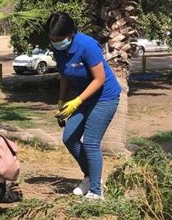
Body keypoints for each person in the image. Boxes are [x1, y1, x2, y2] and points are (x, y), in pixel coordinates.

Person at [45, 12, 121, 200]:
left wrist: (77, 101)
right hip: (84, 98)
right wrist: (62, 101)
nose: (55, 42)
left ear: (70, 34)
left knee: (91, 143)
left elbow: (100, 79)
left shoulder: (87, 45)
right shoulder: (59, 49)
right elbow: (65, 75)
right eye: (52, 39)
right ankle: (89, 176)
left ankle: (96, 191)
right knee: (69, 138)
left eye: (59, 39)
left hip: (105, 97)